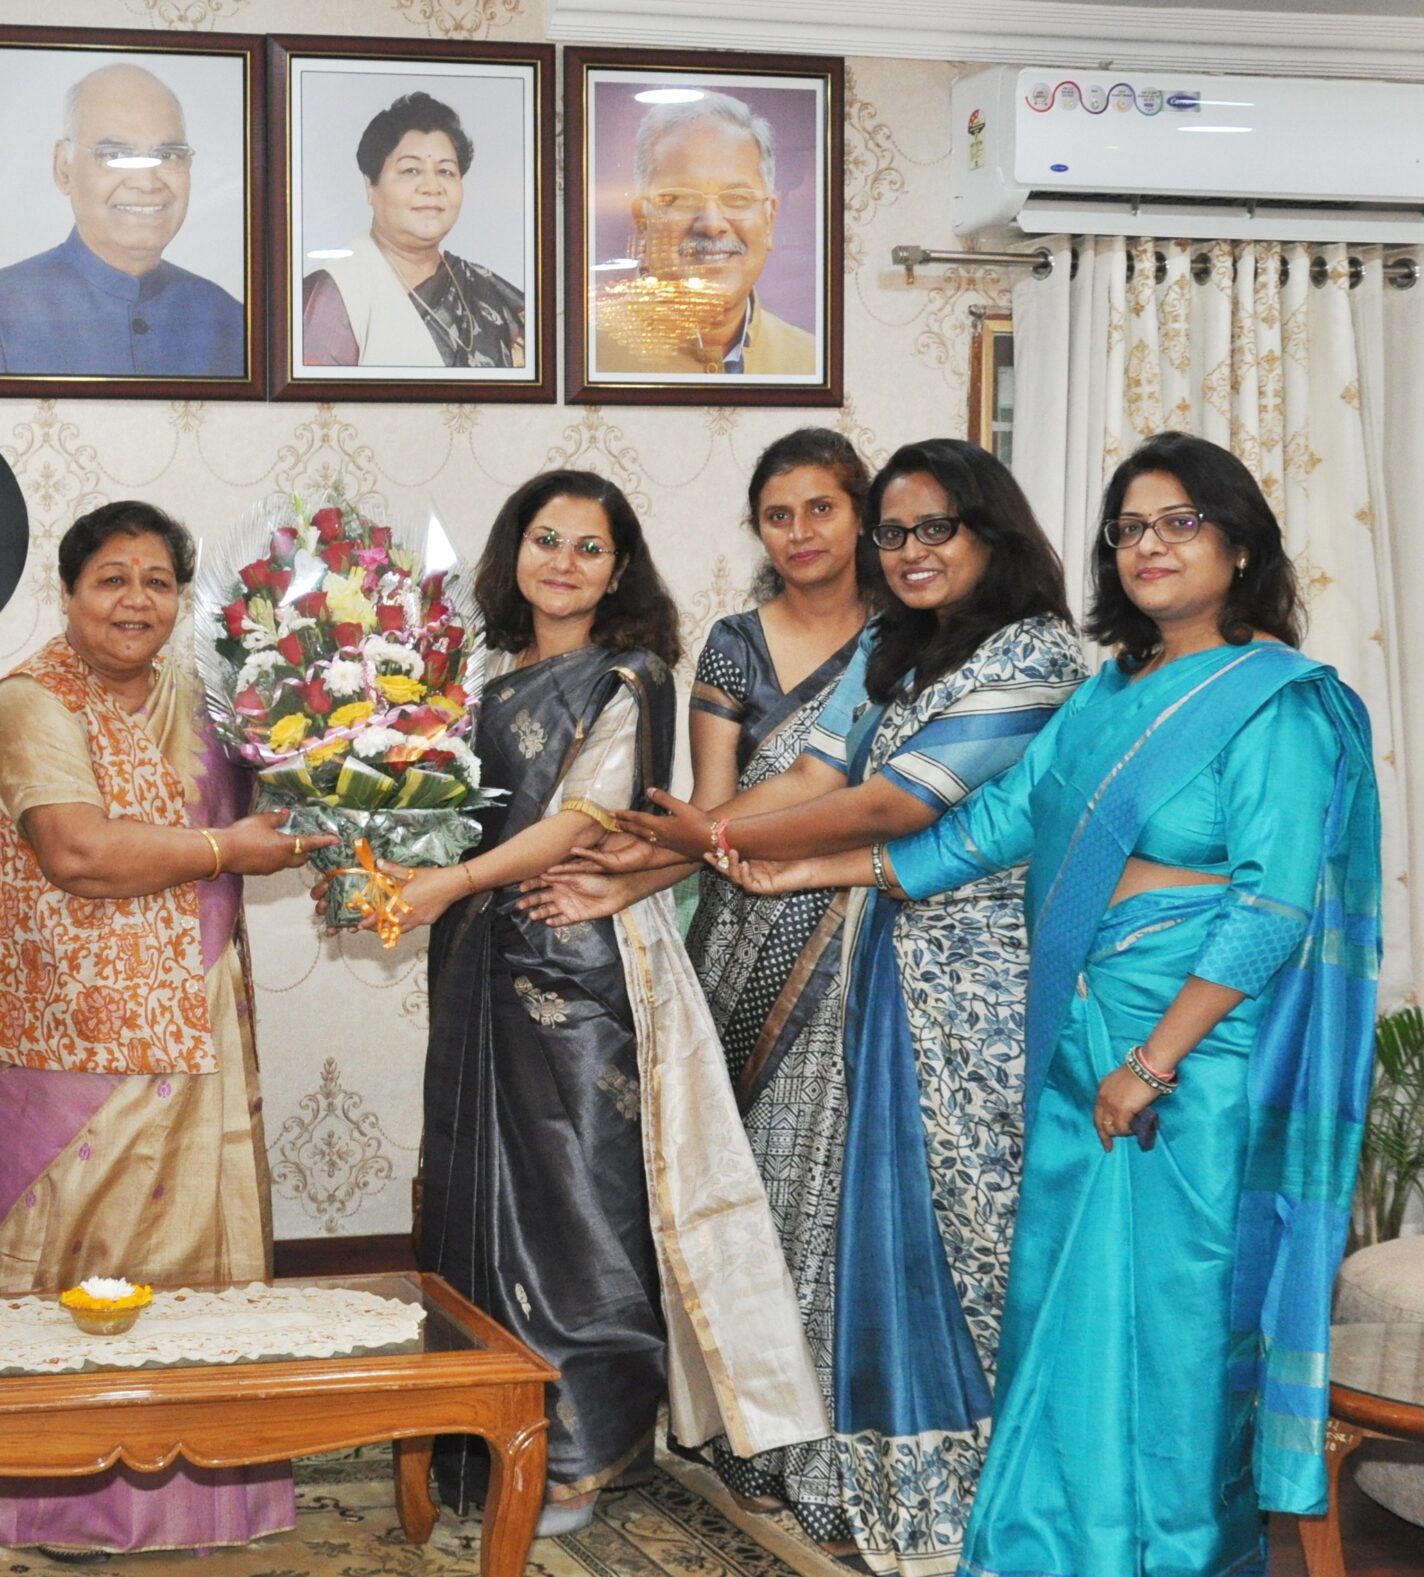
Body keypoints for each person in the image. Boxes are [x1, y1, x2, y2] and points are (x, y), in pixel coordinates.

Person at [769, 432, 1376, 1577]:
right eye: (1129, 527)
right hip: (1077, 1040)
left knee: (1170, 1326)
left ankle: (1168, 1555)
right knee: (1064, 1314)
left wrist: (1151, 1063)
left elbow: (1267, 908)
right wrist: (804, 868)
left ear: (1240, 547)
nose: (1149, 545)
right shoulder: (1105, 694)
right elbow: (994, 828)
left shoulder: (1278, 704)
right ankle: (1050, 1548)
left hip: (1186, 1062)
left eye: (1179, 522)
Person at [544, 439, 1086, 1572]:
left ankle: (997, 1481)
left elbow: (896, 803)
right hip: (875, 957)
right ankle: (862, 1468)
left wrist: (708, 835)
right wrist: (671, 849)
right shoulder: (893, 646)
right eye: (897, 532)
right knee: (867, 1224)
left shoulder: (1035, 652)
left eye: (933, 527)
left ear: (991, 531)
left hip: (974, 985)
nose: (910, 550)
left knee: (966, 1226)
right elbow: (807, 779)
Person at [374, 472, 822, 1537]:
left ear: (619, 571)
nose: (563, 564)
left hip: (571, 961)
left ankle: (575, 1454)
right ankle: (485, 1426)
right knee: (476, 1187)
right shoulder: (480, 677)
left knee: (572, 1200)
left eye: (589, 547)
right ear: (512, 552)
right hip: (475, 956)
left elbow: (584, 820)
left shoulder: (629, 675)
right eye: (546, 540)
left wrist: (449, 882)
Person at [0, 501, 315, 1559]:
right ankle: (68, 1502)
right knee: (75, 1263)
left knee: (196, 1260)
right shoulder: (29, 701)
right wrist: (230, 849)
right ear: (68, 593)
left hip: (196, 1014)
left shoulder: (209, 701)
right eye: (111, 578)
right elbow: (77, 850)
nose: (135, 601)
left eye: (157, 582)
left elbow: (292, 798)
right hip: (61, 1026)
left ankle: (204, 1502)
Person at [538, 431, 877, 1537]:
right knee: (751, 1175)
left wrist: (641, 866)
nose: (800, 532)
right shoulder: (735, 642)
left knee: (843, 1180)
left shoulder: (905, 636)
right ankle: (747, 1429)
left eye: (821, 508)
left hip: (866, 921)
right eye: (778, 514)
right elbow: (711, 808)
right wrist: (629, 874)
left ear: (860, 514)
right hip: (742, 925)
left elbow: (859, 796)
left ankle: (843, 1438)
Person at [0, 63, 246, 378]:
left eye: (167, 155)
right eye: (116, 155)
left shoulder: (231, 322)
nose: (147, 183)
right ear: (64, 168)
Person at [593, 92, 818, 378]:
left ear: (769, 220)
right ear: (642, 220)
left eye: (737, 198)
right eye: (682, 199)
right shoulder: (590, 353)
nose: (712, 225)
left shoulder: (809, 360)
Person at [301, 91, 525, 369]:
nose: (432, 187)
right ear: (370, 185)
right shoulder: (337, 291)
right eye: (411, 170)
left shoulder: (486, 291)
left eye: (445, 172)